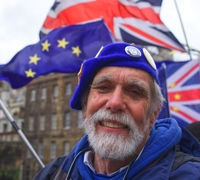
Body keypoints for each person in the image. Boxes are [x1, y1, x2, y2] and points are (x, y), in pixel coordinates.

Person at [34, 42, 200, 179]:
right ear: (85, 106)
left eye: (135, 91)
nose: (115, 103)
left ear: (153, 115)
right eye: (104, 87)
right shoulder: (52, 174)